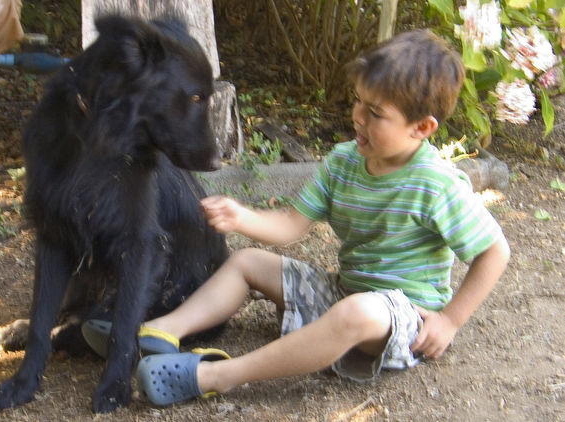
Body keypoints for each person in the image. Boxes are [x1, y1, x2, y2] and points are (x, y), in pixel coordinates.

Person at [82, 28, 510, 406]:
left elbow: (495, 251)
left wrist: (449, 320)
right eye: (359, 102)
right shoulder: (344, 163)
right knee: (248, 262)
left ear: (422, 128)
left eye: (376, 113)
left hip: (403, 322)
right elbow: (291, 224)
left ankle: (217, 376)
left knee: (358, 313)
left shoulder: (437, 184)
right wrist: (241, 217)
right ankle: (157, 332)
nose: (358, 117)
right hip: (345, 294)